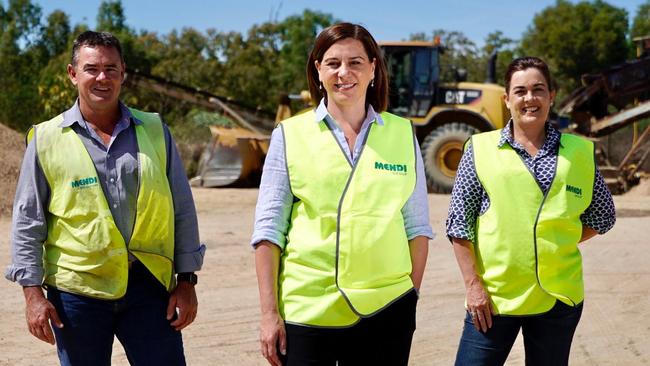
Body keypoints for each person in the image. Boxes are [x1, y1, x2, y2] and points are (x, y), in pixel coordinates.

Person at [5, 31, 206, 365]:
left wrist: (186, 281)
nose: (102, 77)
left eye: (111, 69)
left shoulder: (154, 130)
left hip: (147, 284)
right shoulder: (46, 138)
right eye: (91, 68)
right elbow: (29, 221)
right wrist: (33, 295)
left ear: (123, 72)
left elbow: (182, 209)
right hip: (76, 292)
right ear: (73, 74)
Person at [251, 23, 434, 366]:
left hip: (386, 309)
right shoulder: (289, 134)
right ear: (318, 70)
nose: (344, 73)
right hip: (308, 309)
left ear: (373, 70)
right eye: (333, 63)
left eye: (355, 63)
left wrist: (409, 296)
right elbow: (268, 231)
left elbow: (417, 227)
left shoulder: (401, 133)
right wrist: (269, 315)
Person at [446, 56, 616, 366]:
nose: (530, 98)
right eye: (520, 91)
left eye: (538, 89)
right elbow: (459, 224)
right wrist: (473, 288)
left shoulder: (578, 153)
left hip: (558, 300)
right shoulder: (479, 149)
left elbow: (603, 216)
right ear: (507, 98)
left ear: (551, 95)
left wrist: (555, 238)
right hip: (493, 299)